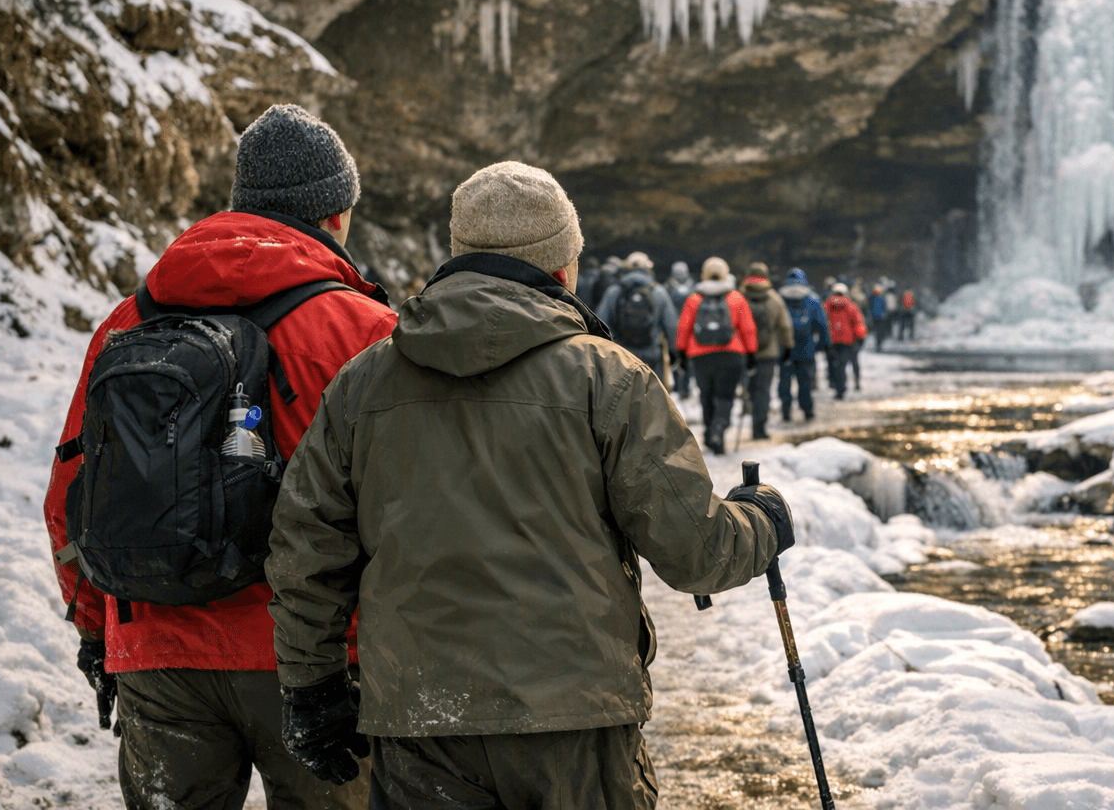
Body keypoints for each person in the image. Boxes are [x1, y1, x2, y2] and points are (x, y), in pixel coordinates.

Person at [264, 161, 792, 809]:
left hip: (420, 713)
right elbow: (695, 552)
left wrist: (311, 687)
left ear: (457, 255)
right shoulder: (609, 379)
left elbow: (306, 547)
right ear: (563, 266)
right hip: (574, 715)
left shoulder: (363, 382)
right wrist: (762, 522)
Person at [44, 105, 396, 810]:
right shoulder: (364, 330)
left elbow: (71, 490)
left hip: (157, 651)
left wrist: (95, 630)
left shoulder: (128, 323)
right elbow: (405, 506)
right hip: (318, 664)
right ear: (334, 214)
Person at [676, 257, 759, 454]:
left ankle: (709, 434)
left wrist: (681, 353)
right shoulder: (736, 298)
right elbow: (748, 328)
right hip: (731, 354)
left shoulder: (694, 299)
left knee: (706, 395)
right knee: (725, 395)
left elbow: (684, 328)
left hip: (701, 356)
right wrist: (751, 354)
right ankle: (719, 428)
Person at [595, 251, 678, 380]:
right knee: (651, 391)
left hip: (621, 355)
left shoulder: (614, 291)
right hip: (652, 355)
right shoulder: (658, 291)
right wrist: (673, 352)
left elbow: (601, 322)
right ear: (648, 268)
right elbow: (671, 325)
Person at [741, 262, 794, 441]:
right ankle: (759, 428)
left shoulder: (740, 297)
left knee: (749, 389)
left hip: (744, 352)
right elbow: (785, 326)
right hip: (768, 353)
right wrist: (787, 347)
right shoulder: (774, 298)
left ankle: (747, 414)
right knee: (763, 391)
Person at [778, 268, 830, 421]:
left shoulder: (780, 298)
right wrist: (822, 345)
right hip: (806, 347)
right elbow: (822, 325)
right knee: (805, 381)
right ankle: (807, 410)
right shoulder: (812, 299)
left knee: (785, 381)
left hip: (785, 348)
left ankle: (786, 410)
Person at [824, 282, 868, 399]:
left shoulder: (827, 305)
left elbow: (822, 321)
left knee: (836, 365)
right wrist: (861, 338)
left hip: (832, 340)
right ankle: (855, 383)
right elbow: (858, 323)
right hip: (848, 340)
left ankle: (839, 389)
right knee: (847, 363)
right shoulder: (851, 306)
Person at [666, 261, 696, 396]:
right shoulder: (693, 286)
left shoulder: (668, 286)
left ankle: (678, 386)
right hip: (690, 326)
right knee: (687, 357)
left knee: (674, 355)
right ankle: (685, 386)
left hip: (672, 325)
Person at [869, 284, 891, 352]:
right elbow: (884, 307)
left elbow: (870, 307)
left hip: (874, 317)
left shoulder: (872, 298)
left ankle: (877, 345)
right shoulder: (882, 298)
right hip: (881, 317)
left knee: (877, 332)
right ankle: (879, 345)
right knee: (880, 332)